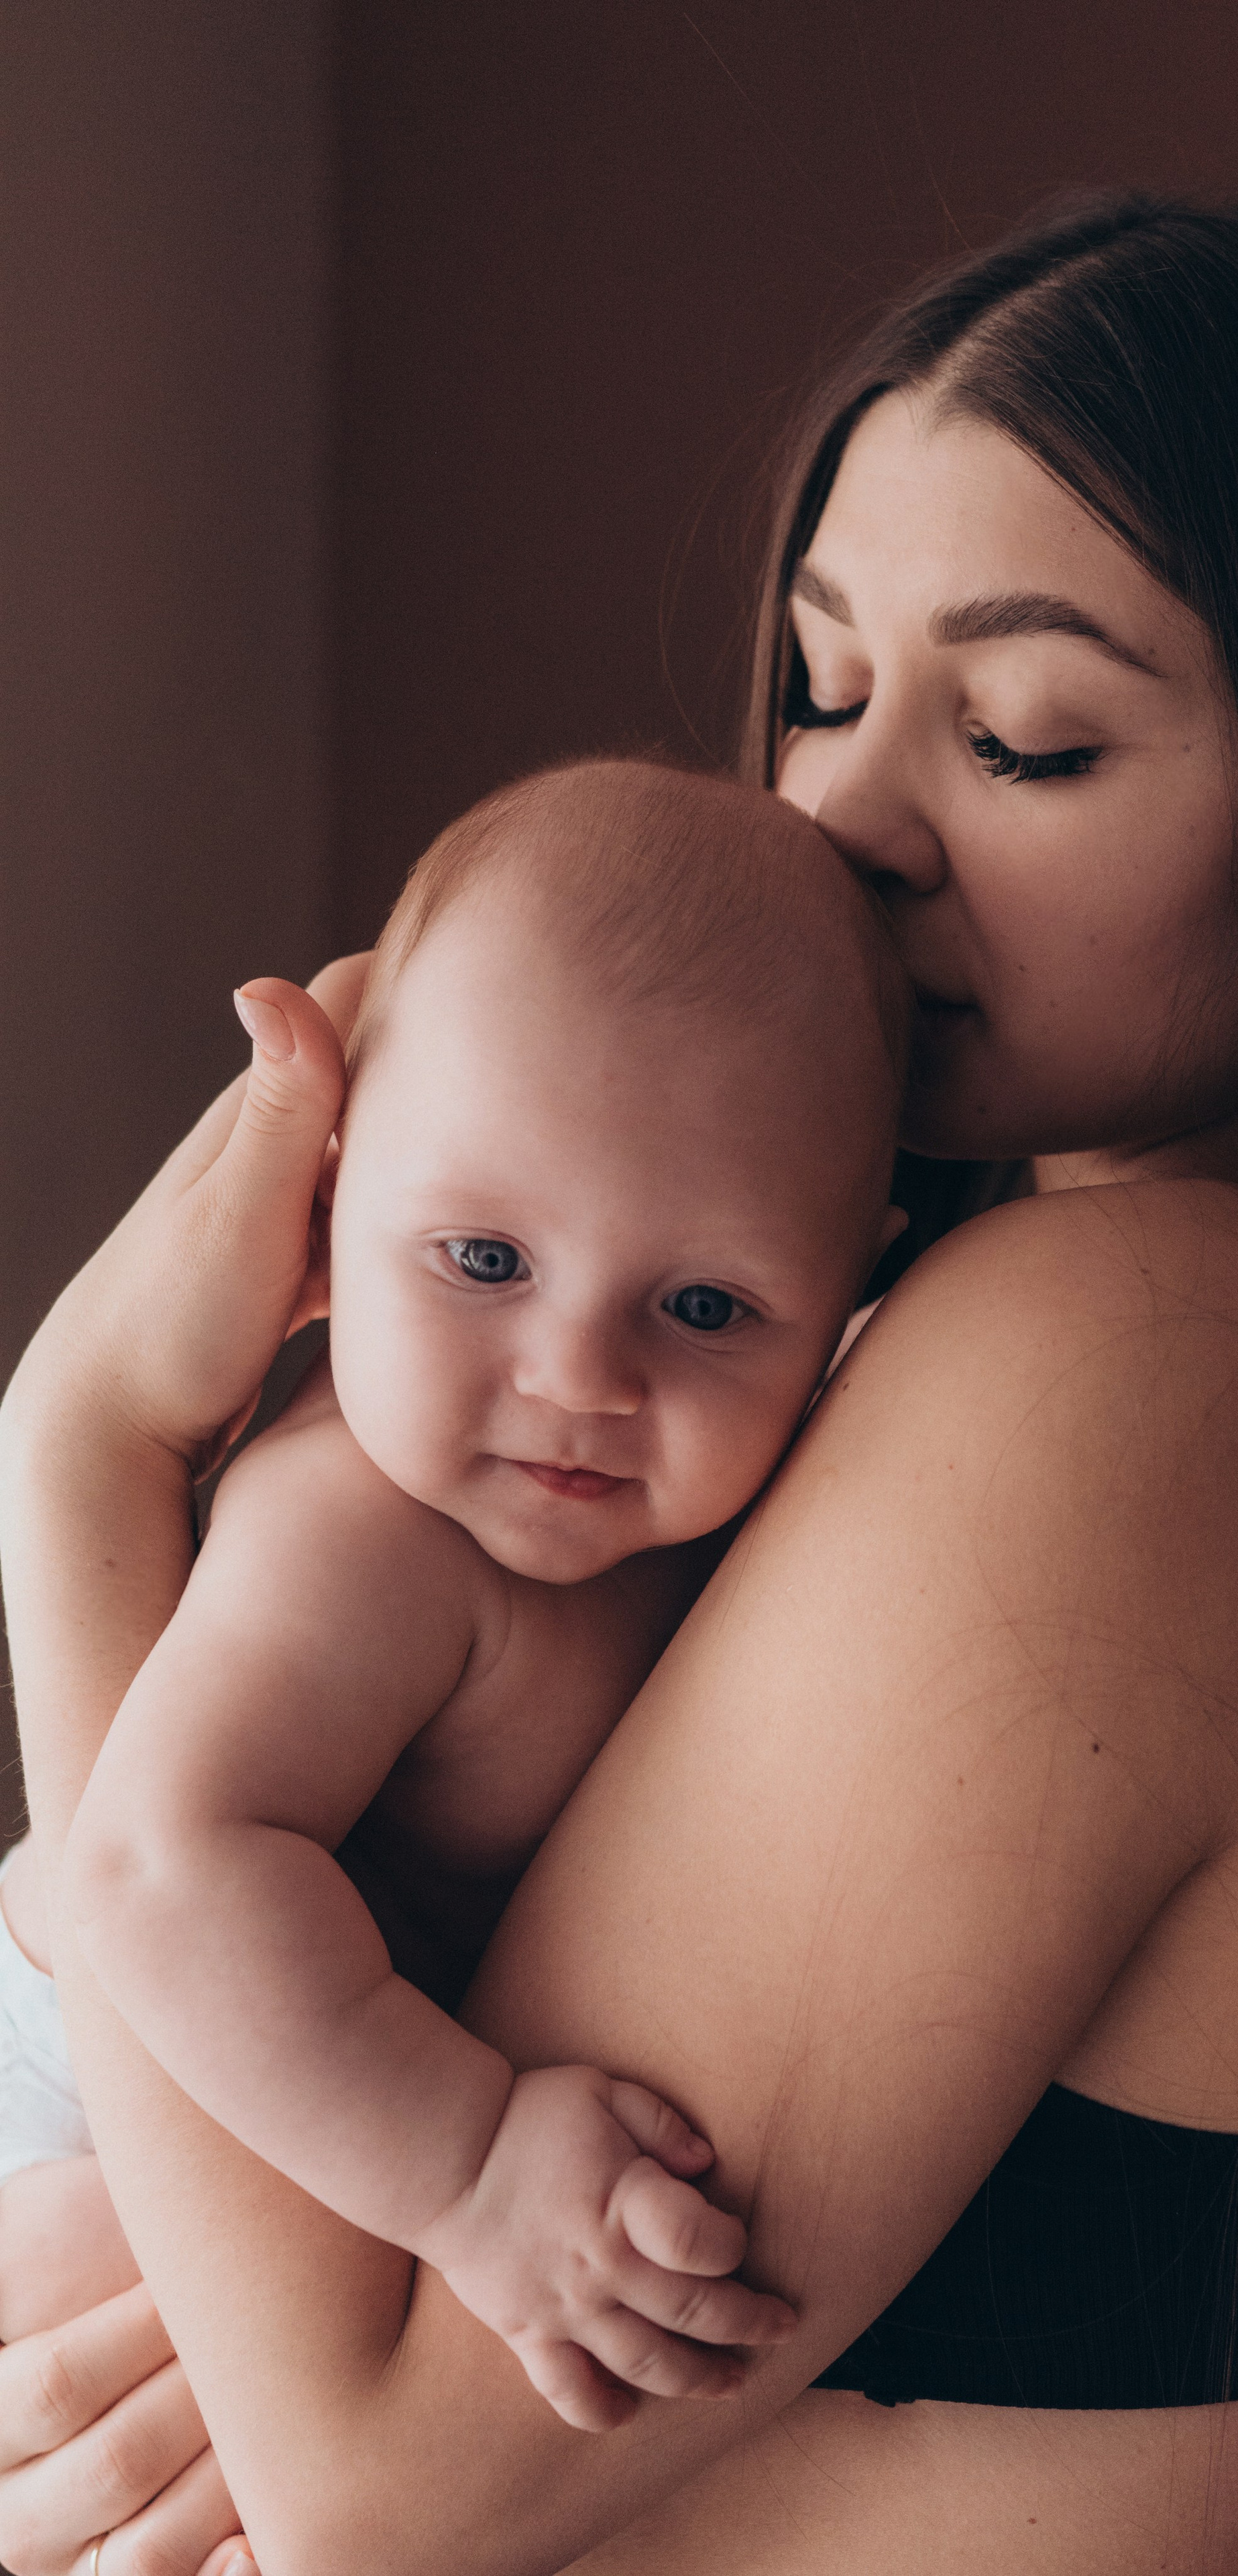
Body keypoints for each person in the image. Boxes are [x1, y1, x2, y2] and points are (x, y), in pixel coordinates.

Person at [0, 193, 1238, 2576]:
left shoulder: (1157, 1346)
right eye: (828, 686)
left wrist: (85, 1454)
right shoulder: (1047, 1342)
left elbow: (368, 2474)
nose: (839, 821)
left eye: (1030, 737)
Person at [15, 759, 903, 2426]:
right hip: (93, 2063)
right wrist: (469, 2167)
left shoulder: (778, 1505)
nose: (576, 1377)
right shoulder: (359, 1517)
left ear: (852, 1309)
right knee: (96, 2298)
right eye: (484, 1261)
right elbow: (153, 1867)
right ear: (328, 1208)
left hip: (302, 2056)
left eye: (706, 1306)